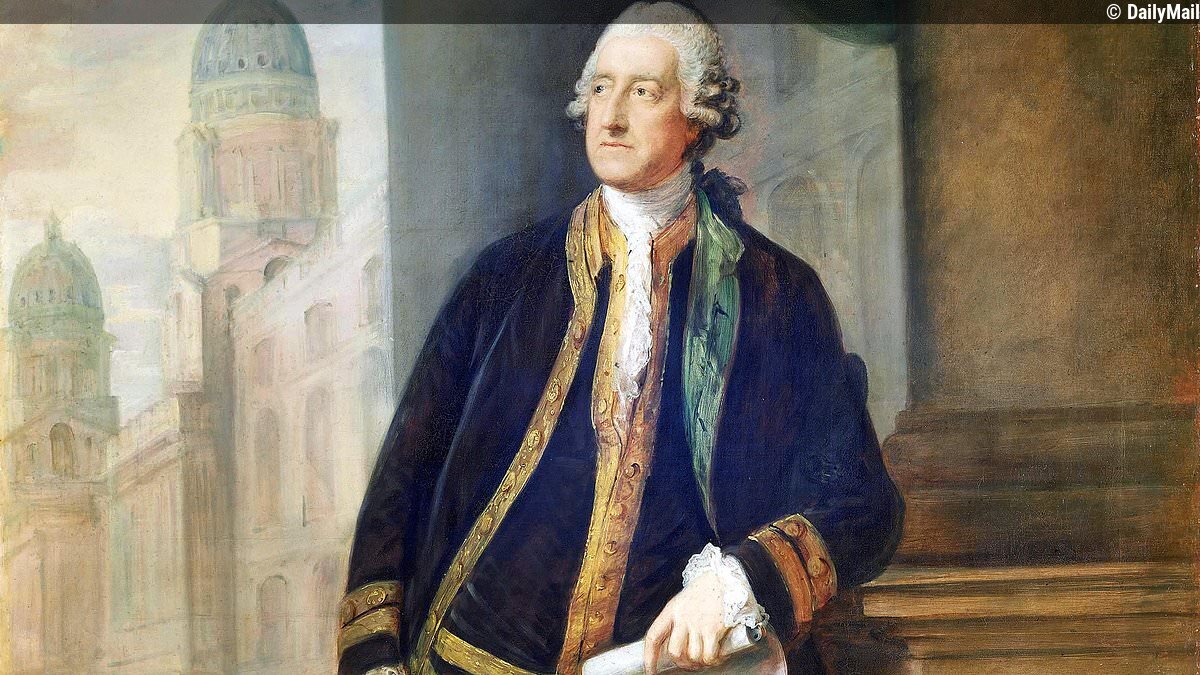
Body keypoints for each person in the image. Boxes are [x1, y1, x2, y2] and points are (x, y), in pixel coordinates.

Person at [338, 3, 903, 674]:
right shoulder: (506, 276)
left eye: (644, 92)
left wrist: (738, 582)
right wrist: (374, 657)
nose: (610, 116)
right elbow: (405, 472)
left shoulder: (778, 291)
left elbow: (862, 502)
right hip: (470, 659)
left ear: (697, 118)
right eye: (602, 87)